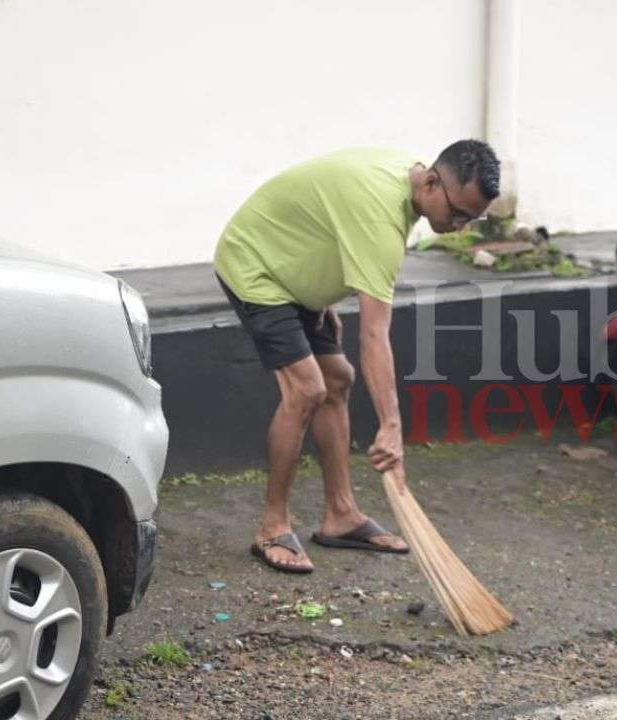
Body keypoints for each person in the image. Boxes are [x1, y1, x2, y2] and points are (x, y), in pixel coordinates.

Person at [213, 142, 501, 573]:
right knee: (307, 389)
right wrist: (390, 425)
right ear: (431, 182)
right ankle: (272, 527)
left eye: (470, 220)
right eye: (457, 213)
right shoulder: (380, 217)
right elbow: (373, 335)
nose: (459, 227)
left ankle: (341, 515)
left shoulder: (406, 179)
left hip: (292, 270)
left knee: (338, 380)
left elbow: (325, 214)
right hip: (256, 266)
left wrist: (320, 292)